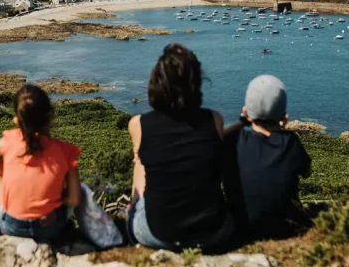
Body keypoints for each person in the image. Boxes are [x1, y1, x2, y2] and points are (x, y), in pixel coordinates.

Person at [127, 43, 233, 252]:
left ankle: (133, 208)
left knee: (140, 159)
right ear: (197, 83)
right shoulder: (214, 119)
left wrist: (134, 205)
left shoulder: (139, 124)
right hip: (213, 234)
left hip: (158, 235)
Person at [0, 84, 81, 243]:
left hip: (13, 228)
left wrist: (9, 175)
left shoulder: (10, 141)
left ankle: (3, 214)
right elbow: (74, 200)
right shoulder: (65, 151)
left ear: (16, 118)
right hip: (50, 228)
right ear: (51, 114)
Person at [222, 75, 312, 241]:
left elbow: (215, 139)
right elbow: (307, 172)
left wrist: (243, 121)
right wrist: (282, 129)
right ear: (283, 114)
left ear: (246, 111)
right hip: (284, 229)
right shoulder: (290, 142)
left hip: (239, 227)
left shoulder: (232, 141)